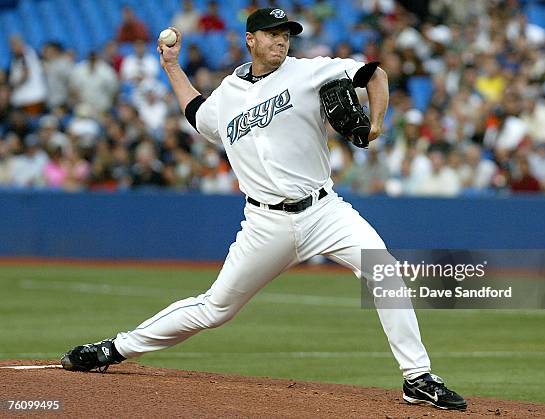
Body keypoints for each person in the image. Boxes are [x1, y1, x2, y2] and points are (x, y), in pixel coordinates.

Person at [59, 8, 467, 412]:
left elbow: (374, 74)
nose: (281, 40)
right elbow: (199, 115)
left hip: (324, 211)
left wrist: (376, 123)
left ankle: (418, 377)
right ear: (250, 40)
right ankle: (113, 349)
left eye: (286, 34)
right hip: (265, 221)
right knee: (214, 309)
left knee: (384, 270)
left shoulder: (311, 71)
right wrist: (171, 68)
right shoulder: (229, 91)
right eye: (272, 33)